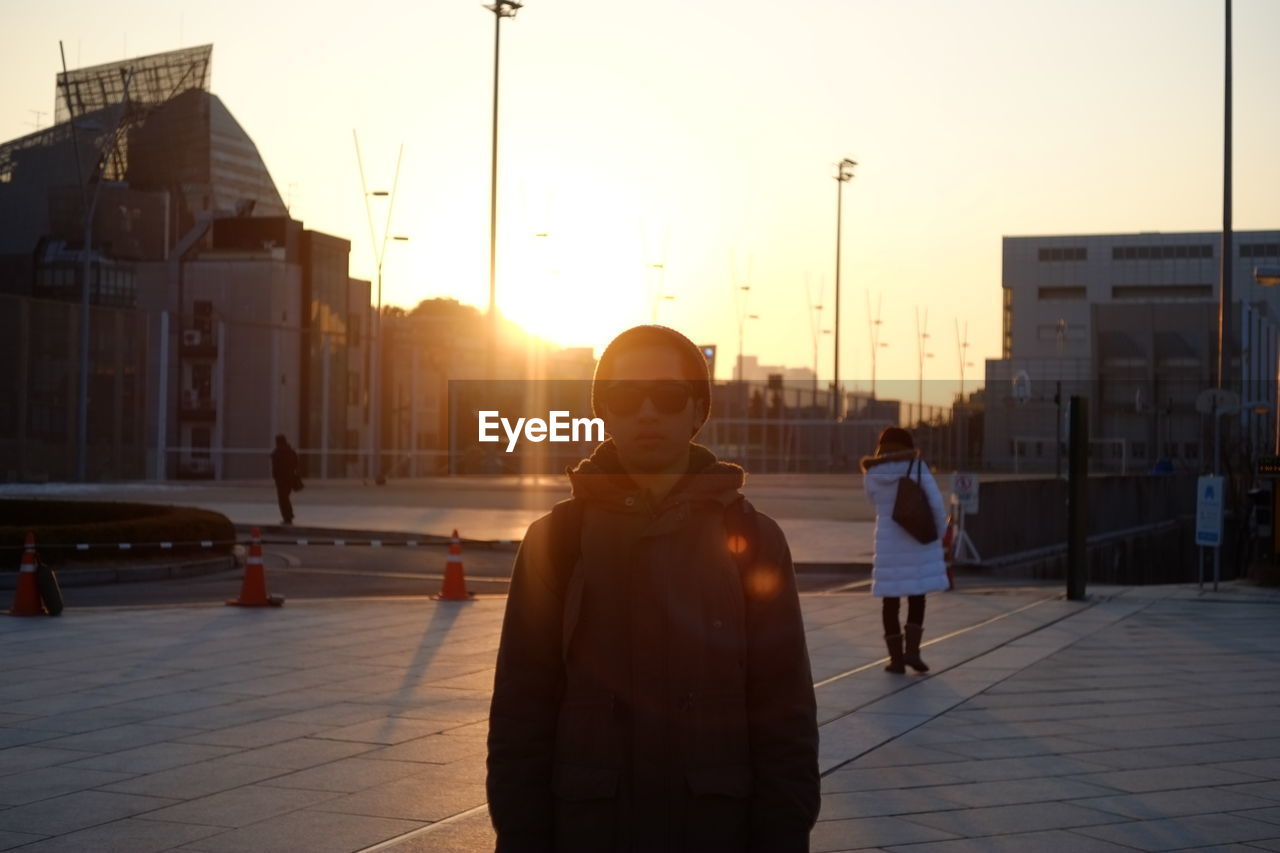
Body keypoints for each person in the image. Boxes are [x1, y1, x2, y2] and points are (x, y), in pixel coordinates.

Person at [487, 325, 820, 853]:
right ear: (604, 411)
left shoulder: (753, 539)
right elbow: (520, 715)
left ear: (696, 411)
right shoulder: (556, 541)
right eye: (624, 395)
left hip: (714, 830)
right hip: (589, 831)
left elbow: (786, 714)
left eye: (667, 396)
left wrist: (783, 835)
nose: (646, 412)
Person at [860, 427, 949, 674]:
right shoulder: (918, 468)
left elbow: (874, 502)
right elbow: (935, 504)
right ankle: (913, 653)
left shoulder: (872, 473)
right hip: (916, 539)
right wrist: (939, 533)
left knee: (890, 601)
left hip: (888, 543)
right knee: (917, 596)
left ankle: (895, 659)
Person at [270, 434, 299, 525]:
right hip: (290, 478)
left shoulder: (277, 452)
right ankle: (289, 515)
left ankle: (287, 516)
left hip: (281, 479)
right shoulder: (291, 451)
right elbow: (296, 464)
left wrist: (275, 476)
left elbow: (276, 467)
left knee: (283, 499)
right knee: (286, 497)